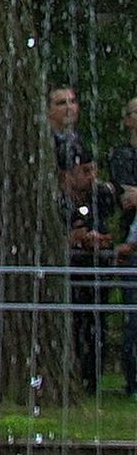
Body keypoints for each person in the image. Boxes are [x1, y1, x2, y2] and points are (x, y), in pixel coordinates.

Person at [58, 144, 116, 394]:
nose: (92, 177)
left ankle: (91, 380)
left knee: (96, 325)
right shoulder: (56, 200)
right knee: (72, 324)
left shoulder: (102, 195)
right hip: (67, 273)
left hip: (96, 270)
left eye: (94, 170)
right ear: (68, 175)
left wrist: (102, 239)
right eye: (85, 171)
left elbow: (112, 226)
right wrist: (71, 239)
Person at [109, 97, 137, 399]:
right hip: (133, 248)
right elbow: (126, 197)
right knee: (134, 317)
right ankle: (134, 382)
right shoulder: (122, 156)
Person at [48, 85, 90, 169]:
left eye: (73, 101)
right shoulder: (43, 142)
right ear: (48, 110)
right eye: (62, 103)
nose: (69, 107)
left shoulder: (79, 140)